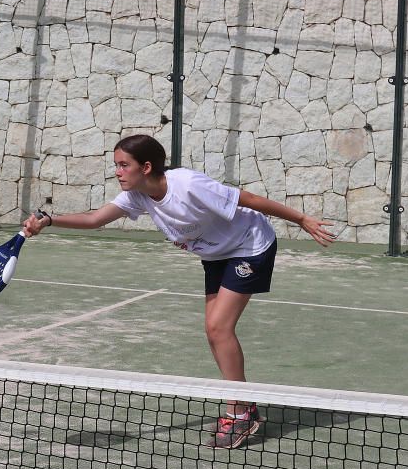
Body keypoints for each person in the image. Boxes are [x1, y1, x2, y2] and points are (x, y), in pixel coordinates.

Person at [23, 134, 336, 449]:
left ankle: (239, 411)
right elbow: (94, 219)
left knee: (219, 327)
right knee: (214, 332)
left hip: (250, 245)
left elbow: (250, 200)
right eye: (116, 165)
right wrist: (49, 220)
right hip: (216, 255)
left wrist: (301, 219)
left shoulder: (187, 185)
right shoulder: (138, 196)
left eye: (123, 165)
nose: (117, 172)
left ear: (146, 167)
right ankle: (244, 402)